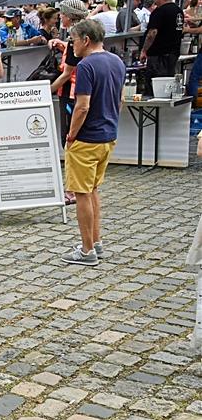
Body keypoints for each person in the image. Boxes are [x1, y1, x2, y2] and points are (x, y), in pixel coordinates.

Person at [61, 19, 125, 267]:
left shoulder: (86, 66)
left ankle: (87, 250)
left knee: (82, 194)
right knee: (93, 190)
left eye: (73, 40)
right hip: (108, 136)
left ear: (85, 40)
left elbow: (82, 105)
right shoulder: (116, 61)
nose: (72, 45)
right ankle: (95, 241)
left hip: (87, 138)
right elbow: (120, 100)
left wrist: (71, 134)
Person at [140, 0, 185, 87]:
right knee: (168, 85)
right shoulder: (178, 11)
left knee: (156, 86)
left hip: (159, 55)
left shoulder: (159, 12)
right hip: (173, 53)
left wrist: (144, 50)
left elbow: (152, 33)